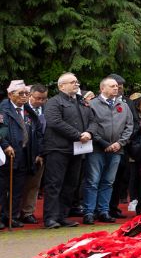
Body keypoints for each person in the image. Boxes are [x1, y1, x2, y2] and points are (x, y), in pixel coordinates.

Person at [42, 73, 94, 228]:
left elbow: (93, 120)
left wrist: (89, 133)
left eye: (77, 81)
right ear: (61, 86)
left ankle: (62, 216)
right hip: (58, 149)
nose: (76, 84)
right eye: (72, 82)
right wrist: (78, 135)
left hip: (77, 150)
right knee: (54, 184)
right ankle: (50, 218)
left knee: (71, 184)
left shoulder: (82, 103)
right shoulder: (54, 102)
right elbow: (55, 122)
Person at [83, 76, 132, 224]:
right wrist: (104, 143)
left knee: (108, 182)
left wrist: (120, 143)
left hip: (116, 150)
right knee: (93, 181)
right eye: (112, 86)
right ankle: (89, 212)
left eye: (117, 86)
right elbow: (90, 126)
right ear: (102, 88)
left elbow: (129, 126)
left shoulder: (123, 106)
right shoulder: (92, 104)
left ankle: (103, 211)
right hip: (97, 149)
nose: (116, 88)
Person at [0, 80, 37, 228]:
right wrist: (5, 145)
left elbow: (37, 128)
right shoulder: (3, 109)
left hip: (24, 154)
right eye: (20, 93)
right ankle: (1, 217)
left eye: (26, 93)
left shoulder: (28, 109)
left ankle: (12, 216)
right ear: (10, 94)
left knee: (17, 188)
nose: (24, 96)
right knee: (2, 188)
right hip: (7, 154)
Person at [18, 84, 48, 224]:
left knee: (34, 184)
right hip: (23, 152)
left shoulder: (48, 110)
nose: (41, 101)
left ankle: (28, 212)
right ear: (30, 96)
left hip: (40, 153)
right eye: (38, 98)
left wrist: (41, 153)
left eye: (44, 99)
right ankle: (14, 212)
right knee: (19, 184)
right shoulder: (23, 110)